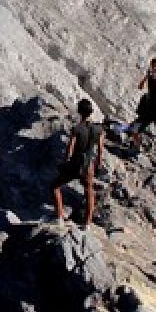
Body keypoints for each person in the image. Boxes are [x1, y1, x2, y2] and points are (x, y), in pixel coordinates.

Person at [52, 98, 104, 228]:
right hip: (89, 165)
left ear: (80, 111)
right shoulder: (99, 129)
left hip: (76, 163)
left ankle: (59, 216)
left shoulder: (77, 129)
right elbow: (100, 150)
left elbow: (70, 149)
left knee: (55, 186)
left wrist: (65, 162)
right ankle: (87, 223)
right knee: (89, 191)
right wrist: (99, 164)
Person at [128, 58, 156, 166]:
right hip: (149, 109)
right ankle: (137, 147)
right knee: (134, 128)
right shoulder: (150, 77)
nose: (154, 68)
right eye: (153, 66)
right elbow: (140, 87)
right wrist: (146, 77)